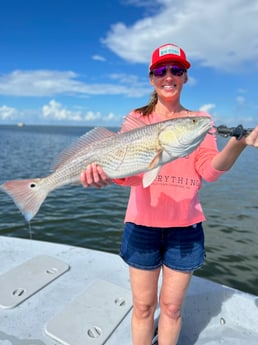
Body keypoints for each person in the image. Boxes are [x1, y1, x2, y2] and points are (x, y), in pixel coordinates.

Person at [80, 43, 258, 345]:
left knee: (173, 308)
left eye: (177, 70)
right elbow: (130, 176)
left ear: (186, 77)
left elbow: (210, 171)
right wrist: (105, 176)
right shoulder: (137, 118)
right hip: (141, 227)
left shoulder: (200, 121)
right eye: (161, 70)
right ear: (152, 78)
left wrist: (238, 144)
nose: (169, 76)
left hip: (185, 230)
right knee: (144, 307)